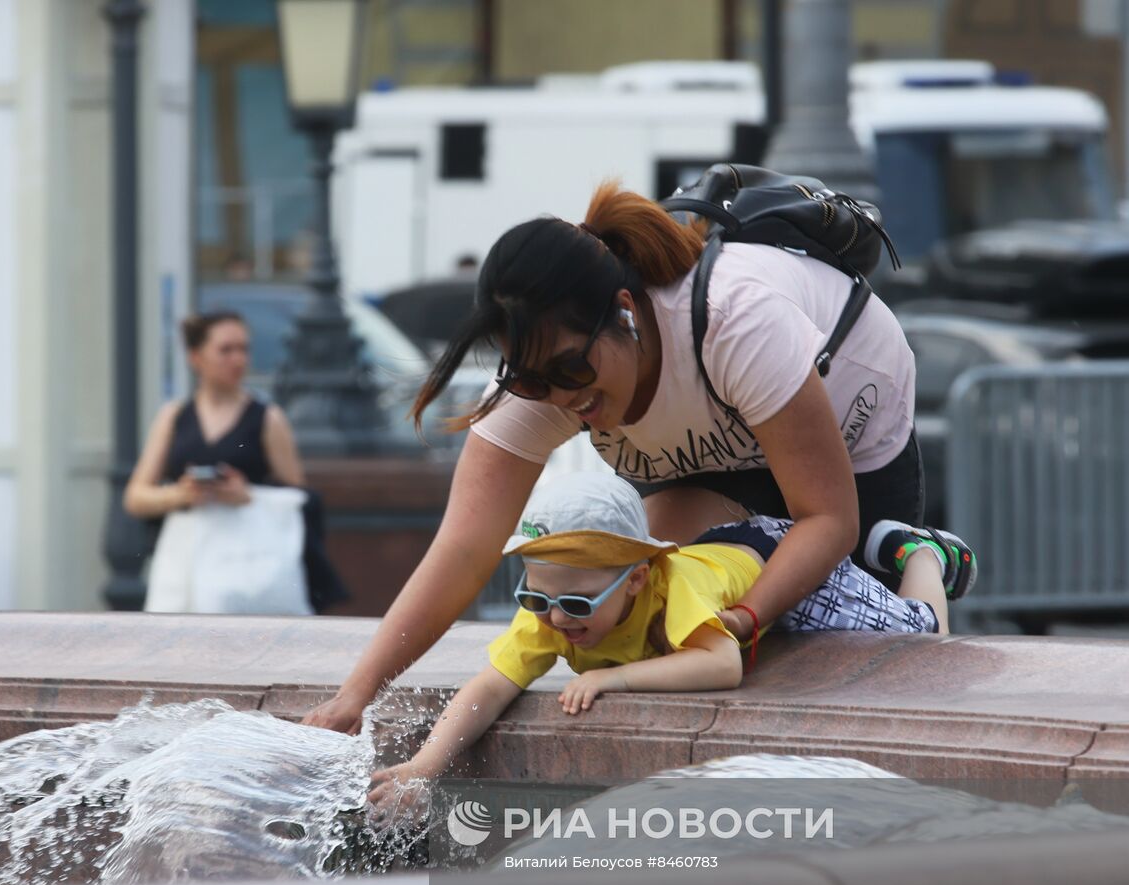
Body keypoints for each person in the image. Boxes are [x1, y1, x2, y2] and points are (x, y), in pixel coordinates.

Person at [305, 180, 926, 734]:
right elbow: (464, 550)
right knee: (642, 602)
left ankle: (924, 560)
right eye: (535, 381)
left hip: (846, 421)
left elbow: (827, 521)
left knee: (865, 634)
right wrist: (355, 696)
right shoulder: (541, 380)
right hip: (710, 459)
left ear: (625, 314)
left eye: (574, 370)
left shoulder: (734, 322)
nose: (566, 398)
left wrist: (742, 620)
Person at [366, 472, 974, 822]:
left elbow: (721, 662)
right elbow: (490, 686)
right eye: (536, 599)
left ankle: (921, 553)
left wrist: (612, 678)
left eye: (577, 604)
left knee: (917, 640)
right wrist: (424, 766)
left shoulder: (673, 589)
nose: (555, 619)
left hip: (773, 562)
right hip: (721, 558)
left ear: (636, 579)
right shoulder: (553, 609)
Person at [125, 310, 304, 523]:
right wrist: (180, 495)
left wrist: (249, 496)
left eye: (243, 349)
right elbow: (135, 497)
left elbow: (298, 497)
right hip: (187, 547)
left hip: (250, 548)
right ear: (196, 357)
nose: (238, 359)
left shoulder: (268, 417)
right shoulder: (174, 415)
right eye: (225, 350)